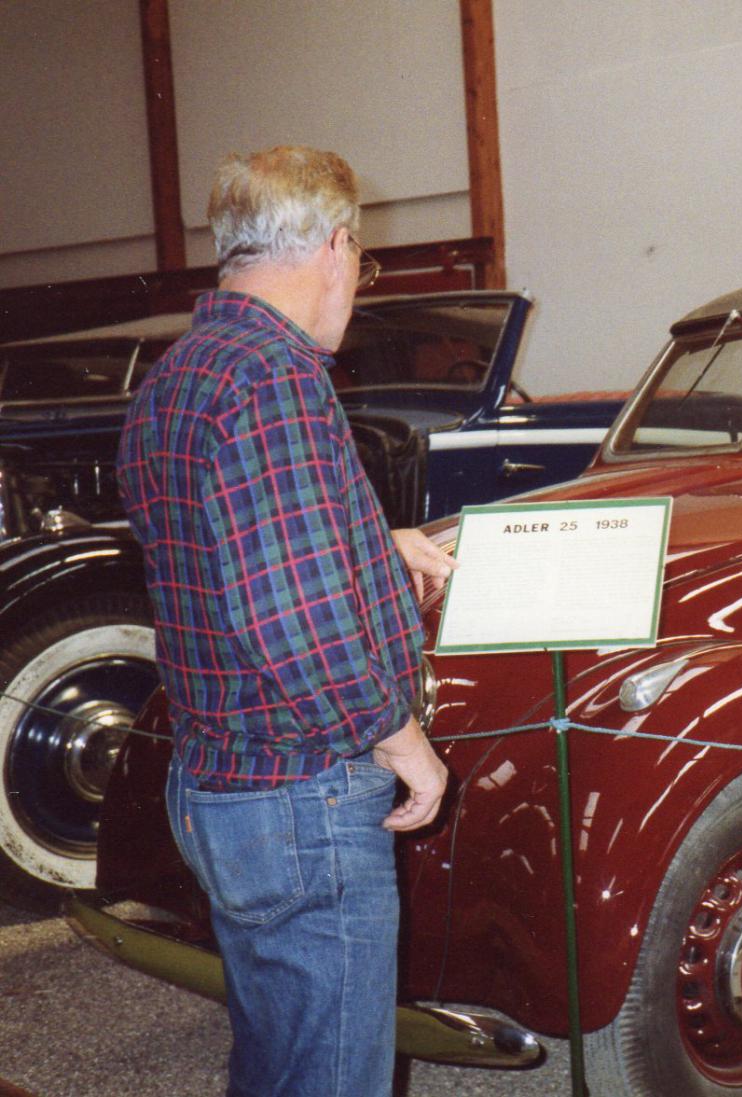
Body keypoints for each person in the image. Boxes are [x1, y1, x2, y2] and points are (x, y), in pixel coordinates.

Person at [117, 146, 456, 1096]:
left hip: (220, 780)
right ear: (337, 248)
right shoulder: (274, 379)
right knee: (332, 1074)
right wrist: (407, 745)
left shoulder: (180, 374)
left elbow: (212, 545)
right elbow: (298, 627)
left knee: (277, 1059)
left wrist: (370, 540)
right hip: (301, 794)